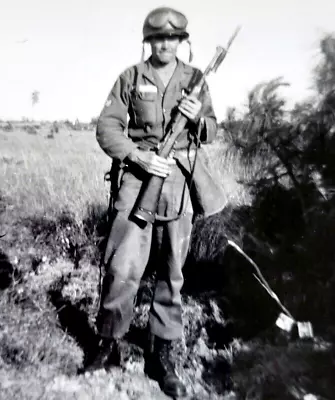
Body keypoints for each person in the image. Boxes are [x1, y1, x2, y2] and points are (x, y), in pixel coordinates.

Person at [81, 6, 227, 398]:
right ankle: (108, 344)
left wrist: (197, 119)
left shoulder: (195, 79)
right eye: (158, 38)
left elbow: (212, 129)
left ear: (182, 43)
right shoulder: (130, 77)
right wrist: (137, 155)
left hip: (179, 185)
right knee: (122, 265)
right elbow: (107, 127)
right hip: (139, 179)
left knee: (172, 272)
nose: (165, 44)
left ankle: (162, 355)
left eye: (173, 39)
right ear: (149, 42)